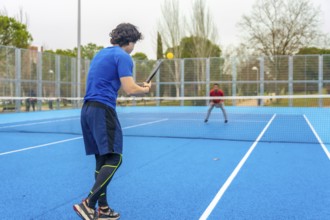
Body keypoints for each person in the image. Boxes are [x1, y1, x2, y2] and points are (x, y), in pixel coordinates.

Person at [73, 23, 151, 220]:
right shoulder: (124, 56)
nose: (134, 47)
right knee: (115, 158)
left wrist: (135, 85)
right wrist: (145, 89)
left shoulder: (101, 54)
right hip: (103, 109)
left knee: (102, 159)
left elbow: (118, 82)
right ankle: (88, 204)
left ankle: (104, 209)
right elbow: (130, 89)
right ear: (130, 41)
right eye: (135, 43)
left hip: (88, 109)